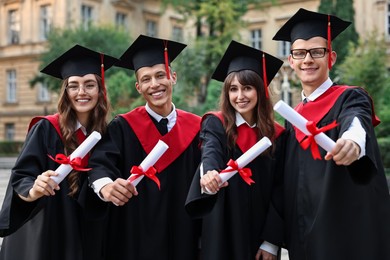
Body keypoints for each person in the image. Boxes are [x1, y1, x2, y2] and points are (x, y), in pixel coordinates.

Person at [272, 8, 390, 260]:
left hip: (342, 231)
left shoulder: (349, 97)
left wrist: (352, 142)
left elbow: (356, 120)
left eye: (317, 52)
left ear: (331, 58)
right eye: (300, 53)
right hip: (302, 232)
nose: (308, 60)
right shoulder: (293, 117)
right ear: (291, 61)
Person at [87, 34, 201, 260]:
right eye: (146, 79)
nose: (155, 84)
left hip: (184, 235)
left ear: (173, 77)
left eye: (161, 75)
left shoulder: (198, 127)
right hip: (135, 236)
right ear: (138, 87)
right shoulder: (123, 126)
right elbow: (100, 164)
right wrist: (105, 186)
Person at [0, 44, 118, 260]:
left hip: (88, 230)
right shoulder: (46, 128)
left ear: (100, 90)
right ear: (66, 92)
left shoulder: (107, 134)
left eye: (89, 85)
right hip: (48, 228)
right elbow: (21, 176)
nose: (81, 92)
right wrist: (35, 188)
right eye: (74, 86)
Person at [185, 40, 285, 260]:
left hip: (260, 232)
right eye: (233, 89)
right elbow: (210, 151)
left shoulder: (277, 135)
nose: (240, 96)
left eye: (247, 88)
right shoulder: (216, 124)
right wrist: (209, 173)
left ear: (260, 91)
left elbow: (280, 188)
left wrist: (271, 241)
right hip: (223, 225)